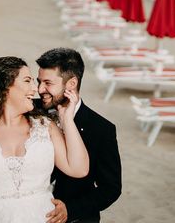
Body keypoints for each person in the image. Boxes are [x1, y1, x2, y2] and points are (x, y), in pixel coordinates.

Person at [0, 56, 89, 223]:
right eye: (28, 81)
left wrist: (67, 121)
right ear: (5, 86)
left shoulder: (45, 127)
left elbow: (78, 169)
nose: (35, 89)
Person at [37, 48, 122, 223]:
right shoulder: (30, 111)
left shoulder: (101, 129)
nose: (40, 89)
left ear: (71, 84)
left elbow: (110, 188)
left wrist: (71, 210)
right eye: (39, 81)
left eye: (47, 83)